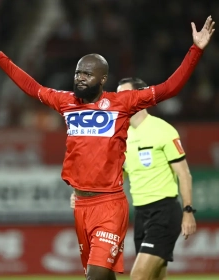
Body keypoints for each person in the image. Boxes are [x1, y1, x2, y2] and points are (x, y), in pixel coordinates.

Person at [0, 16, 215, 280]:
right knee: (102, 276)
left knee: (95, 277)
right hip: (81, 207)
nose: (80, 78)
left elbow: (169, 88)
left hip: (109, 205)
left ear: (102, 78)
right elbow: (33, 88)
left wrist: (195, 50)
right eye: (77, 73)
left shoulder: (122, 102)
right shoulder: (66, 102)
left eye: (87, 73)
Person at [71, 77, 196, 280]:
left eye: (124, 95)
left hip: (164, 212)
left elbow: (184, 173)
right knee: (156, 277)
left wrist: (188, 210)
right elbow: (113, 176)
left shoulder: (162, 130)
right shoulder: (122, 135)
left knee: (138, 276)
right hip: (141, 215)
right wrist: (83, 193)